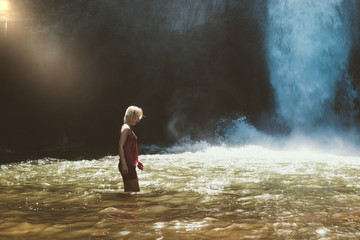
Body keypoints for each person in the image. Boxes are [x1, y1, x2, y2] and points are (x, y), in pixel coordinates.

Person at [118, 106, 144, 192]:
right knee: (135, 192)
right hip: (127, 165)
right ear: (132, 116)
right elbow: (121, 146)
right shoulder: (126, 128)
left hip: (130, 164)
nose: (138, 120)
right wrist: (124, 165)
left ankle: (125, 206)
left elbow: (129, 148)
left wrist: (136, 161)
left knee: (130, 194)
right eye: (137, 117)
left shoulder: (128, 128)